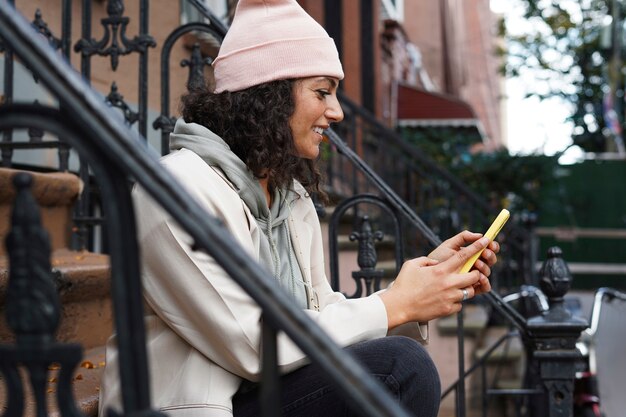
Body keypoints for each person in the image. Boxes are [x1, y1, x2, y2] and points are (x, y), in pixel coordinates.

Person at [98, 0, 500, 416]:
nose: (338, 112)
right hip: (195, 405)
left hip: (262, 394)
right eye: (322, 91)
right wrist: (393, 303)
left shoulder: (290, 199)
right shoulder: (175, 189)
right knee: (400, 368)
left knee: (396, 365)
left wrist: (424, 288)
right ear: (268, 96)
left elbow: (321, 317)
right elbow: (252, 343)